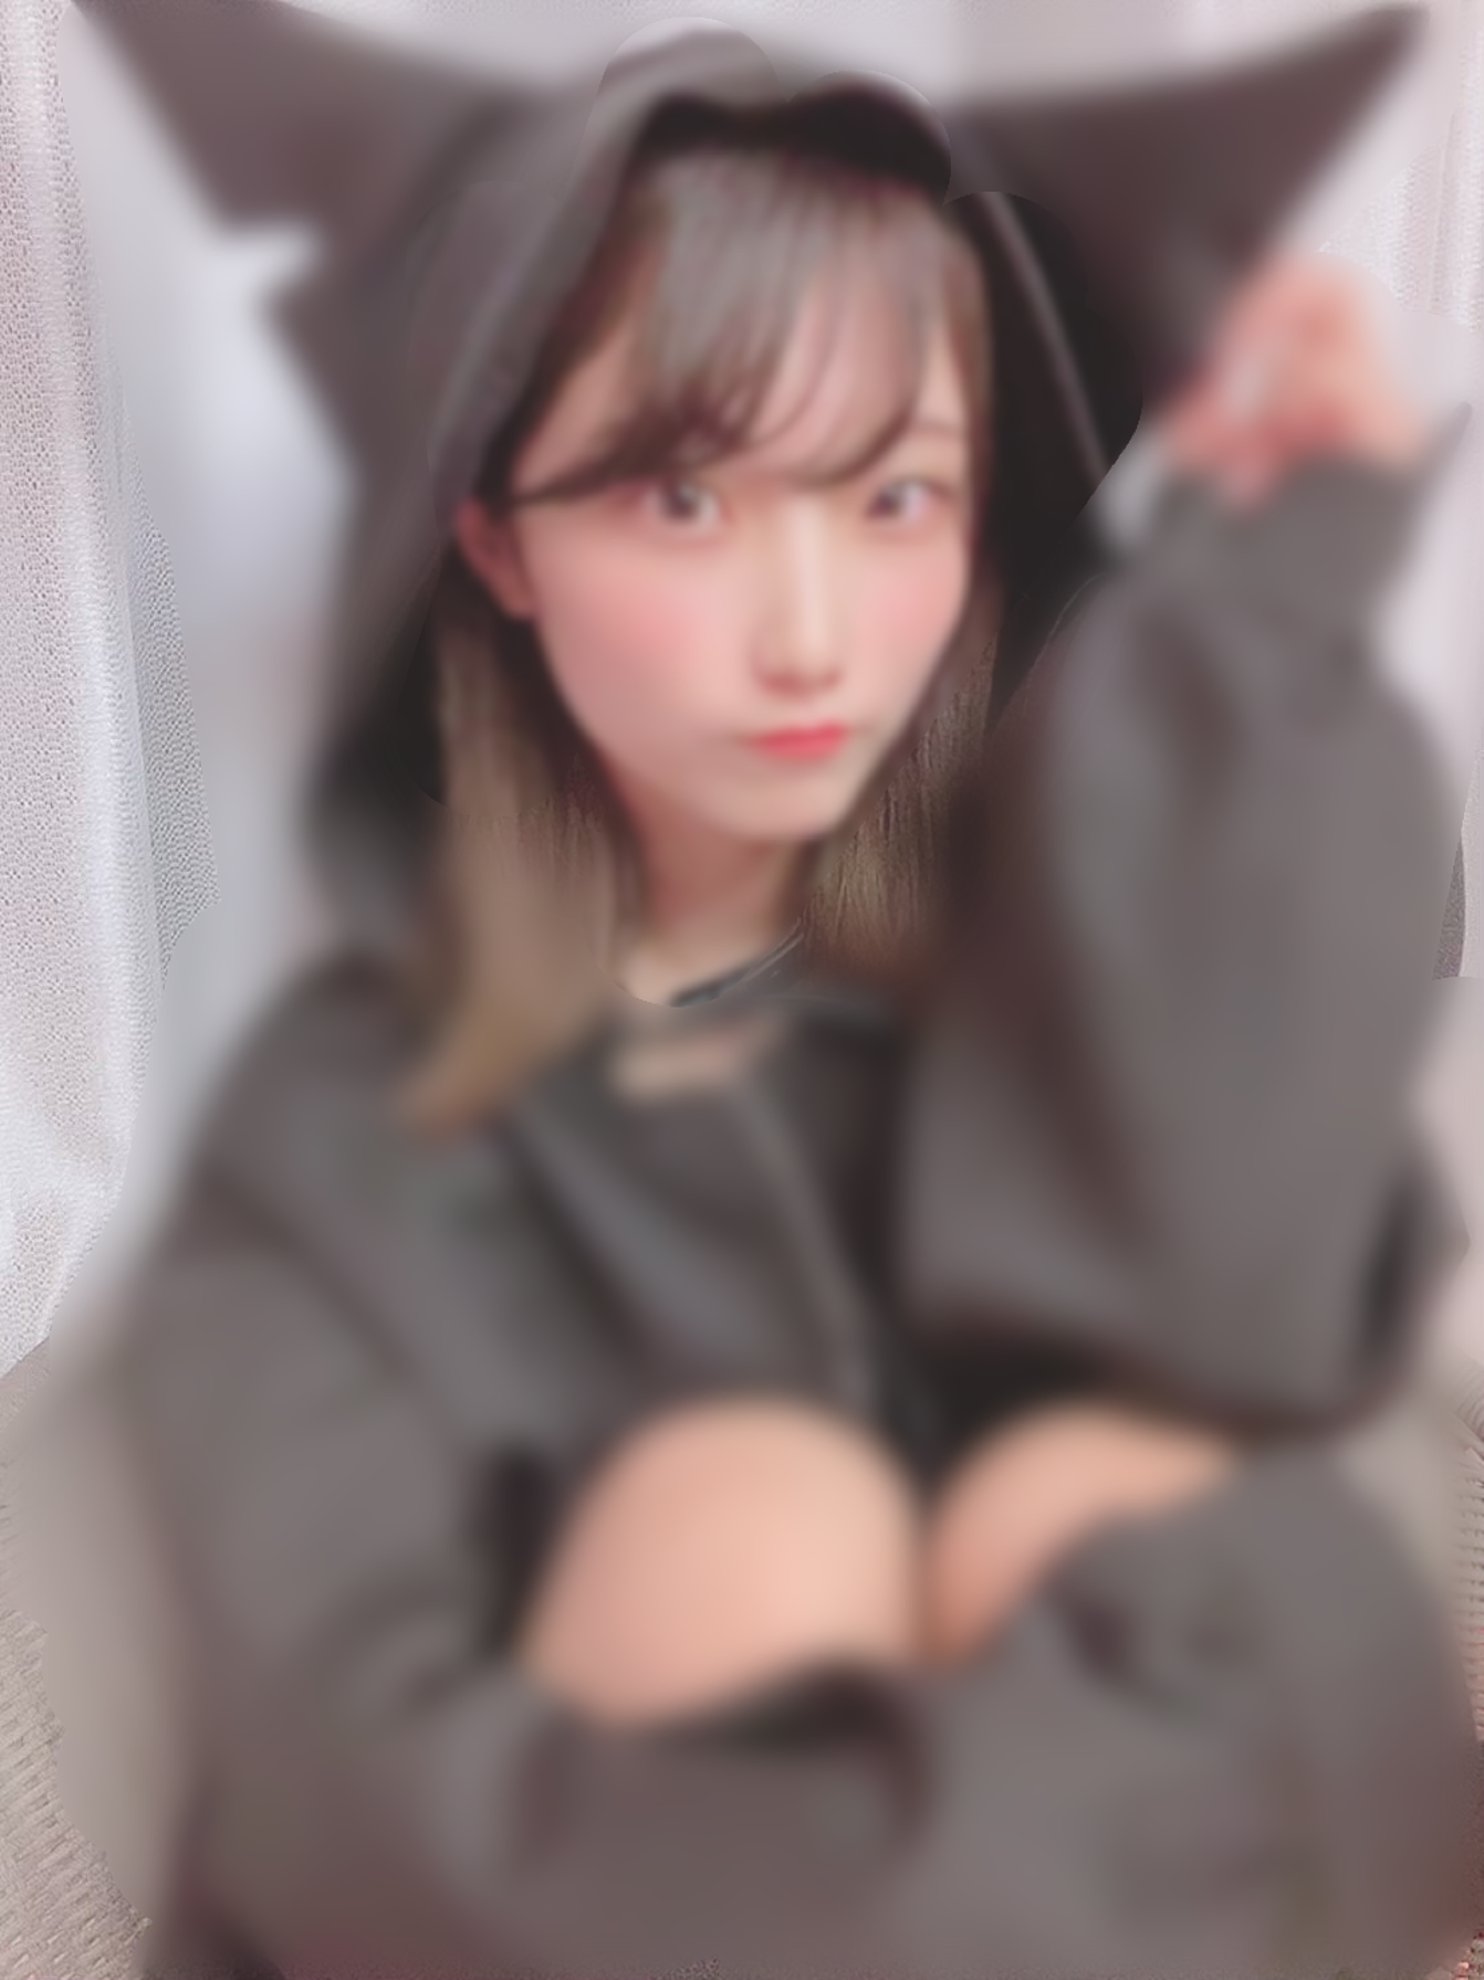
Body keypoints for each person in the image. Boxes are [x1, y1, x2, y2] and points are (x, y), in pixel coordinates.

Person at [35, 13, 1484, 1980]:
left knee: (1105, 1494)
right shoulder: (346, 1144)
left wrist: (1273, 620)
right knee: (750, 1522)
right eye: (684, 501)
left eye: (894, 499)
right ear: (496, 539)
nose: (809, 637)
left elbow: (1306, 1413)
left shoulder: (1045, 1009)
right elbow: (380, 1837)